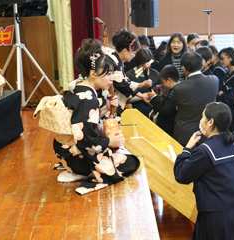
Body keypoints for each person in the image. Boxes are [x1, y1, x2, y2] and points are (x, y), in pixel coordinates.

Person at [53, 39, 140, 195]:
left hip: (66, 150)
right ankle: (83, 171)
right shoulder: (88, 100)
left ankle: (80, 168)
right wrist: (109, 141)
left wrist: (105, 108)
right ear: (93, 73)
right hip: (76, 155)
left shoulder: (78, 87)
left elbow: (82, 124)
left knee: (121, 152)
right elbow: (85, 140)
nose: (112, 78)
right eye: (108, 74)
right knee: (131, 163)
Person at [174, 102, 234, 240]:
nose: (200, 121)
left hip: (216, 217)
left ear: (210, 122)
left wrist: (187, 149)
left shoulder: (205, 151)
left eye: (202, 117)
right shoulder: (231, 143)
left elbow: (181, 175)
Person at [170, 52, 218, 146]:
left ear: (183, 68)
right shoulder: (214, 80)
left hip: (185, 135)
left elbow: (171, 105)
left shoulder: (179, 88)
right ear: (200, 65)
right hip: (207, 132)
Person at [147, 65, 180, 136]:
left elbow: (165, 109)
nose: (163, 85)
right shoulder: (176, 89)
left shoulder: (176, 91)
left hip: (170, 128)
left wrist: (153, 97)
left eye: (163, 82)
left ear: (169, 80)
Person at [126, 48, 159, 117]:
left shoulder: (155, 74)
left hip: (154, 112)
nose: (145, 67)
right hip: (136, 112)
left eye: (147, 64)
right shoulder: (129, 75)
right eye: (142, 65)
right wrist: (144, 95)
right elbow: (126, 97)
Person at [217, 47, 234, 132]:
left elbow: (232, 98)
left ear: (230, 58)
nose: (220, 61)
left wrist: (222, 94)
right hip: (226, 111)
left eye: (222, 59)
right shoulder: (227, 73)